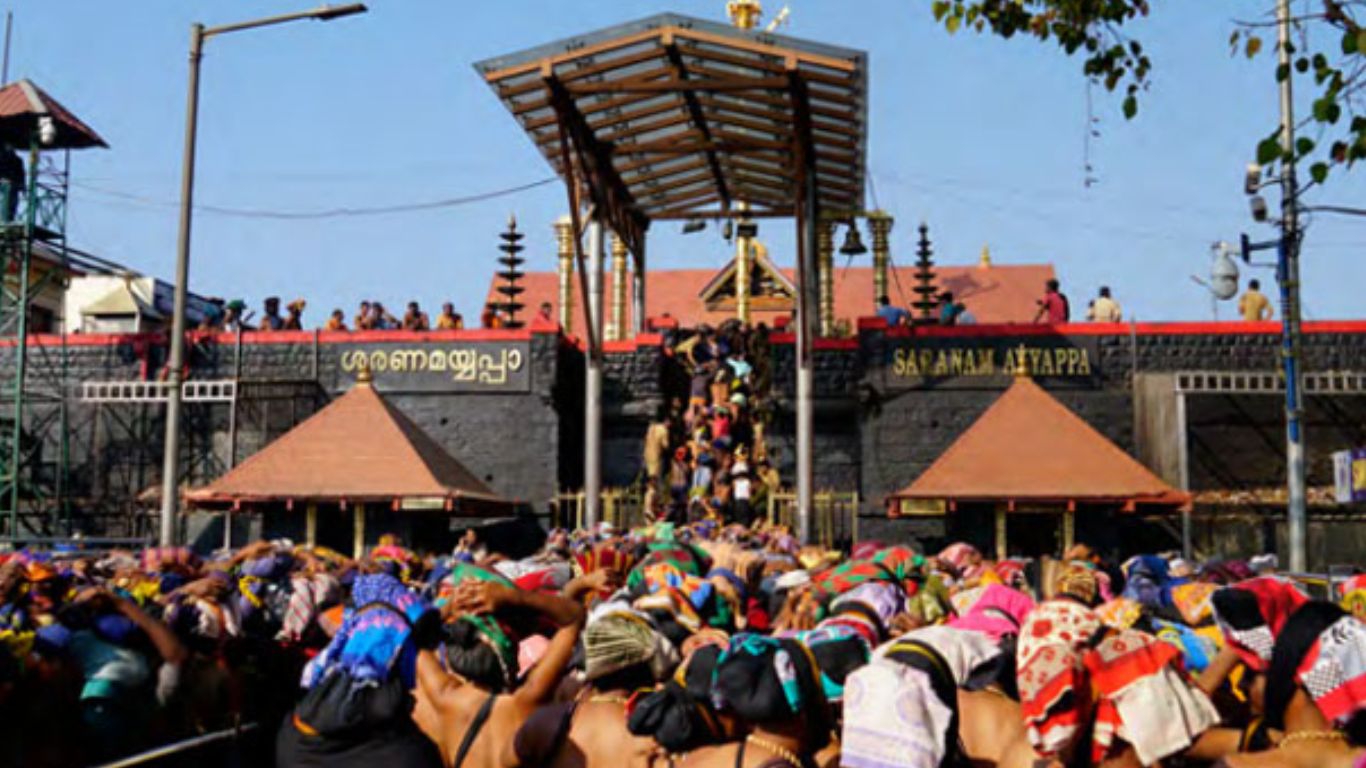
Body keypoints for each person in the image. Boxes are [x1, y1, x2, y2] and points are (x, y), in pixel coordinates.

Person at [413, 576, 593, 768]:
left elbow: (410, 639)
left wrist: (450, 606)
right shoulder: (529, 699)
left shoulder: (444, 698)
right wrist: (516, 597)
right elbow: (575, 618)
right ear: (512, 660)